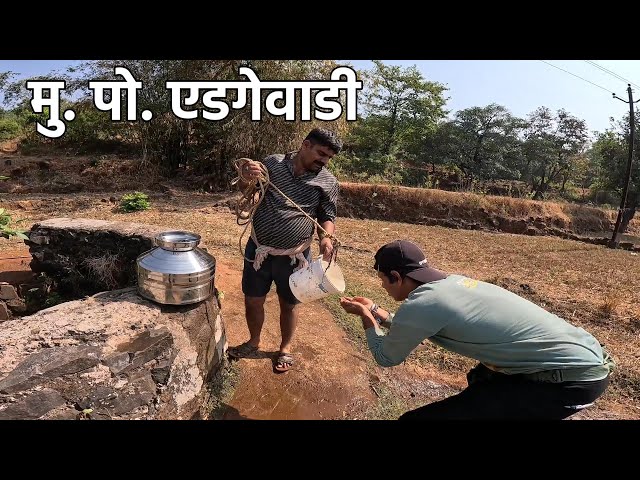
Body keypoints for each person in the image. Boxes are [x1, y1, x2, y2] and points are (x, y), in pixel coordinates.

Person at [339, 239, 615, 420]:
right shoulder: (453, 284)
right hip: (585, 358)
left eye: (382, 280)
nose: (382, 287)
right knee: (480, 380)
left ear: (396, 277)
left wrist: (365, 316)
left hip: (570, 381)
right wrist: (376, 310)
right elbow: (417, 324)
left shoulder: (423, 304)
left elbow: (385, 357)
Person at [228, 128, 342, 372]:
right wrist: (247, 178)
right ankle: (253, 341)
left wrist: (326, 239)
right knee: (252, 300)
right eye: (321, 153)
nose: (324, 161)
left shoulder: (328, 182)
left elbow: (327, 215)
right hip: (258, 251)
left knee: (289, 304)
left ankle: (285, 348)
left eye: (329, 158)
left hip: (295, 256)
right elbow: (250, 192)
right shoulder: (272, 164)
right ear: (305, 145)